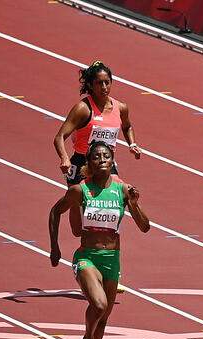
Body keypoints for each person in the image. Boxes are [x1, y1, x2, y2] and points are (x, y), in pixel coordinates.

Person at [48, 141, 150, 339]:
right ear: (89, 164)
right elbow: (55, 211)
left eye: (106, 155)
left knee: (103, 319)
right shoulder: (80, 190)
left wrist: (134, 204)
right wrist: (54, 247)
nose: (102, 159)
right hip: (87, 257)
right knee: (100, 304)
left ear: (112, 160)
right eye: (96, 157)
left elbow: (145, 226)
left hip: (112, 259)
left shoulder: (123, 190)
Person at [53, 60, 141, 237]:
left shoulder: (120, 107)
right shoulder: (83, 109)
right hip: (81, 162)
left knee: (120, 192)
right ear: (91, 85)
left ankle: (110, 232)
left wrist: (132, 144)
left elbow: (127, 126)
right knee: (77, 228)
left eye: (107, 82)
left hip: (106, 162)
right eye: (99, 83)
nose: (104, 87)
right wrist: (64, 158)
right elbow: (59, 137)